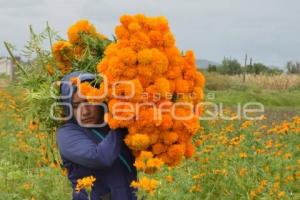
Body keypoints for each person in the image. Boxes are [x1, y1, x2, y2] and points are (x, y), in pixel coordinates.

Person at [56, 72, 137, 200]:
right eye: (76, 106)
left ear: (102, 99)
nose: (85, 112)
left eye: (89, 101)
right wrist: (120, 119)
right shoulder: (67, 133)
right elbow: (100, 158)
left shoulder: (110, 127)